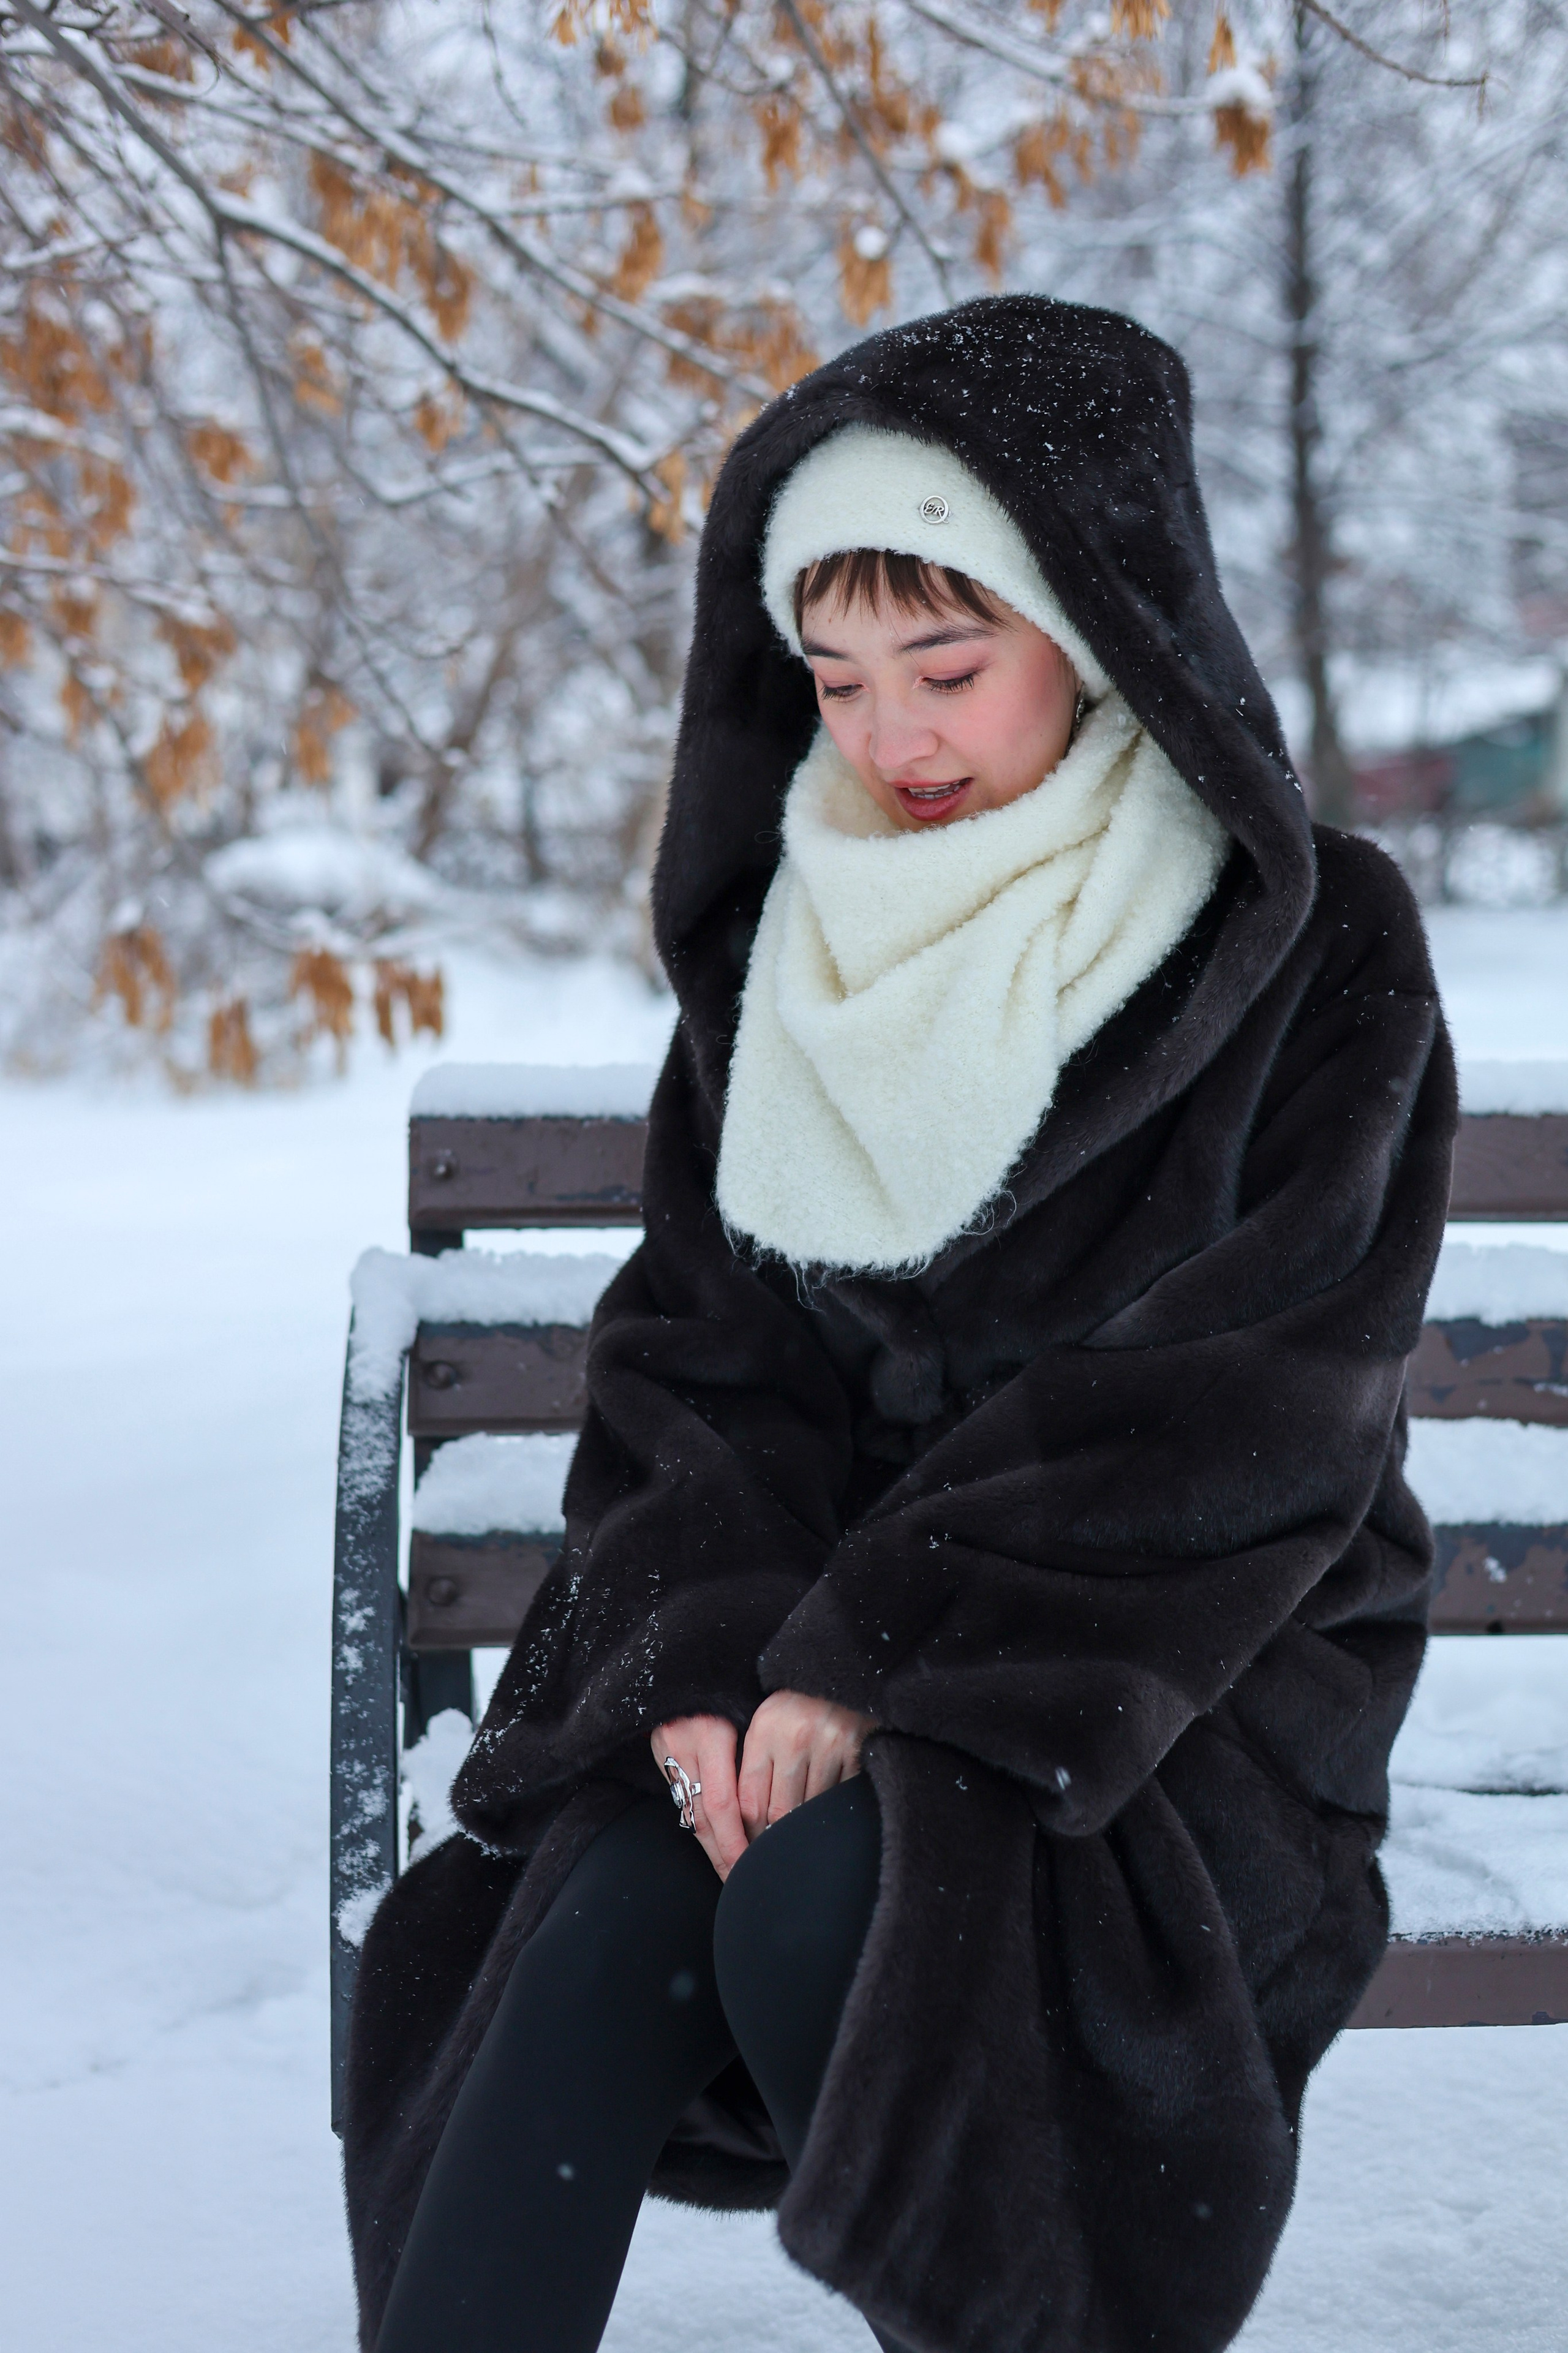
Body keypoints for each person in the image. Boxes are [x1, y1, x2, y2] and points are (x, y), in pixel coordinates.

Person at [344, 296, 1456, 2353]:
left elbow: (1254, 1403)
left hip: (1164, 1678)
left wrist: (890, 1666)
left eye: (950, 669)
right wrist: (693, 1658)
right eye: (838, 679)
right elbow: (701, 1360)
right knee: (594, 1919)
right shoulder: (791, 953)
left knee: (851, 1902)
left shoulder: (1311, 949)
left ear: (1101, 636)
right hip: (792, 1663)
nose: (892, 738)